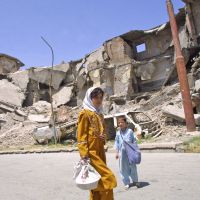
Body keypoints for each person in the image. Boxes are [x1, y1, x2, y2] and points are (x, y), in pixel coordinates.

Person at [77, 87, 117, 200]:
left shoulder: (99, 114)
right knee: (108, 178)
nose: (99, 100)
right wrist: (84, 155)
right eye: (96, 97)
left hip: (100, 151)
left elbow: (102, 131)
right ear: (90, 98)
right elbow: (81, 136)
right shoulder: (84, 113)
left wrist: (103, 137)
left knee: (97, 182)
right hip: (91, 153)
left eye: (101, 97)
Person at [115, 116, 140, 190]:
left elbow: (134, 141)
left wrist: (136, 151)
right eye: (119, 122)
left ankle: (135, 181)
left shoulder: (130, 131)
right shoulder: (118, 133)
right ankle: (126, 183)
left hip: (131, 153)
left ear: (126, 123)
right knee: (123, 168)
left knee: (133, 167)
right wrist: (116, 153)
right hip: (122, 154)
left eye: (122, 122)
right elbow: (117, 142)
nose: (120, 124)